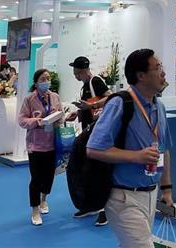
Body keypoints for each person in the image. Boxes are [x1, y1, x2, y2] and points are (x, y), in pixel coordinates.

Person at [87, 49, 174, 248]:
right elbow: (93, 149)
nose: (163, 73)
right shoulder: (120, 104)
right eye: (157, 68)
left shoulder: (159, 107)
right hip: (124, 197)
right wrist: (136, 156)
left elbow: (164, 150)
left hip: (151, 193)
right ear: (141, 76)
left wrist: (167, 189)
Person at [65, 56, 110, 226]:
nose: (74, 75)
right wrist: (78, 113)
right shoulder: (85, 86)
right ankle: (92, 205)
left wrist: (92, 106)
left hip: (98, 134)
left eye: (76, 72)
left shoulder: (95, 81)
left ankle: (105, 209)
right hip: (89, 133)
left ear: (82, 70)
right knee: (88, 171)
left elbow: (111, 97)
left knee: (100, 171)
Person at [18, 69, 63, 226]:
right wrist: (36, 121)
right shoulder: (29, 99)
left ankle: (44, 199)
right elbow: (22, 120)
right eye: (43, 79)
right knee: (36, 179)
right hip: (35, 145)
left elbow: (61, 115)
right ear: (36, 83)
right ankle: (35, 210)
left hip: (52, 144)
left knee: (49, 176)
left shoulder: (55, 97)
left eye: (48, 78)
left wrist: (60, 118)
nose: (46, 81)